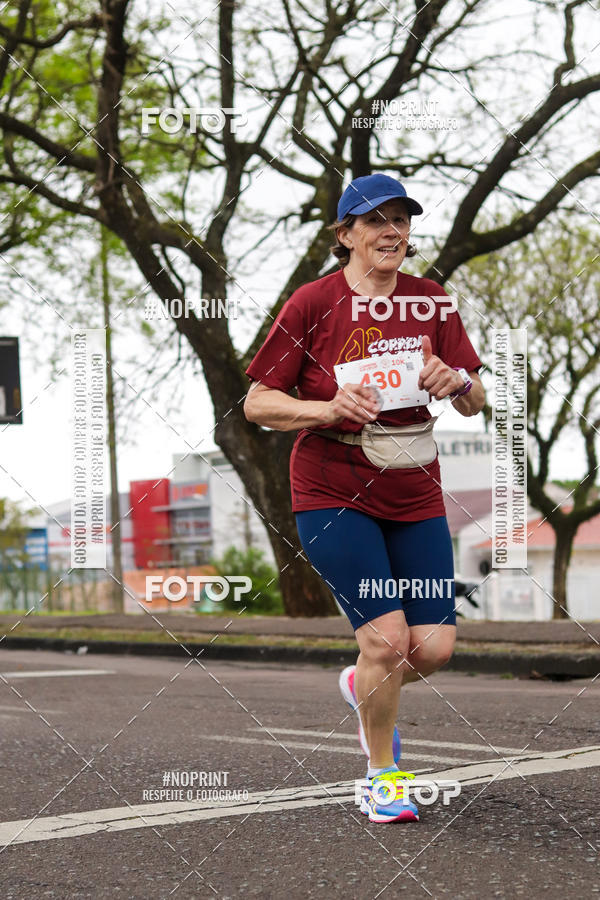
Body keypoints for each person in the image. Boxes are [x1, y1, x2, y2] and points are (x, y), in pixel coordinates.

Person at [244, 173, 485, 823]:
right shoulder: (311, 305)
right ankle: (383, 776)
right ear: (344, 235)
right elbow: (257, 401)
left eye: (402, 220)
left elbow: (476, 398)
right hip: (333, 487)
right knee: (387, 641)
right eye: (375, 221)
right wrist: (326, 407)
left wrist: (456, 380)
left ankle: (361, 685)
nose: (392, 231)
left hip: (413, 488)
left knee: (430, 649)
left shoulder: (431, 302)